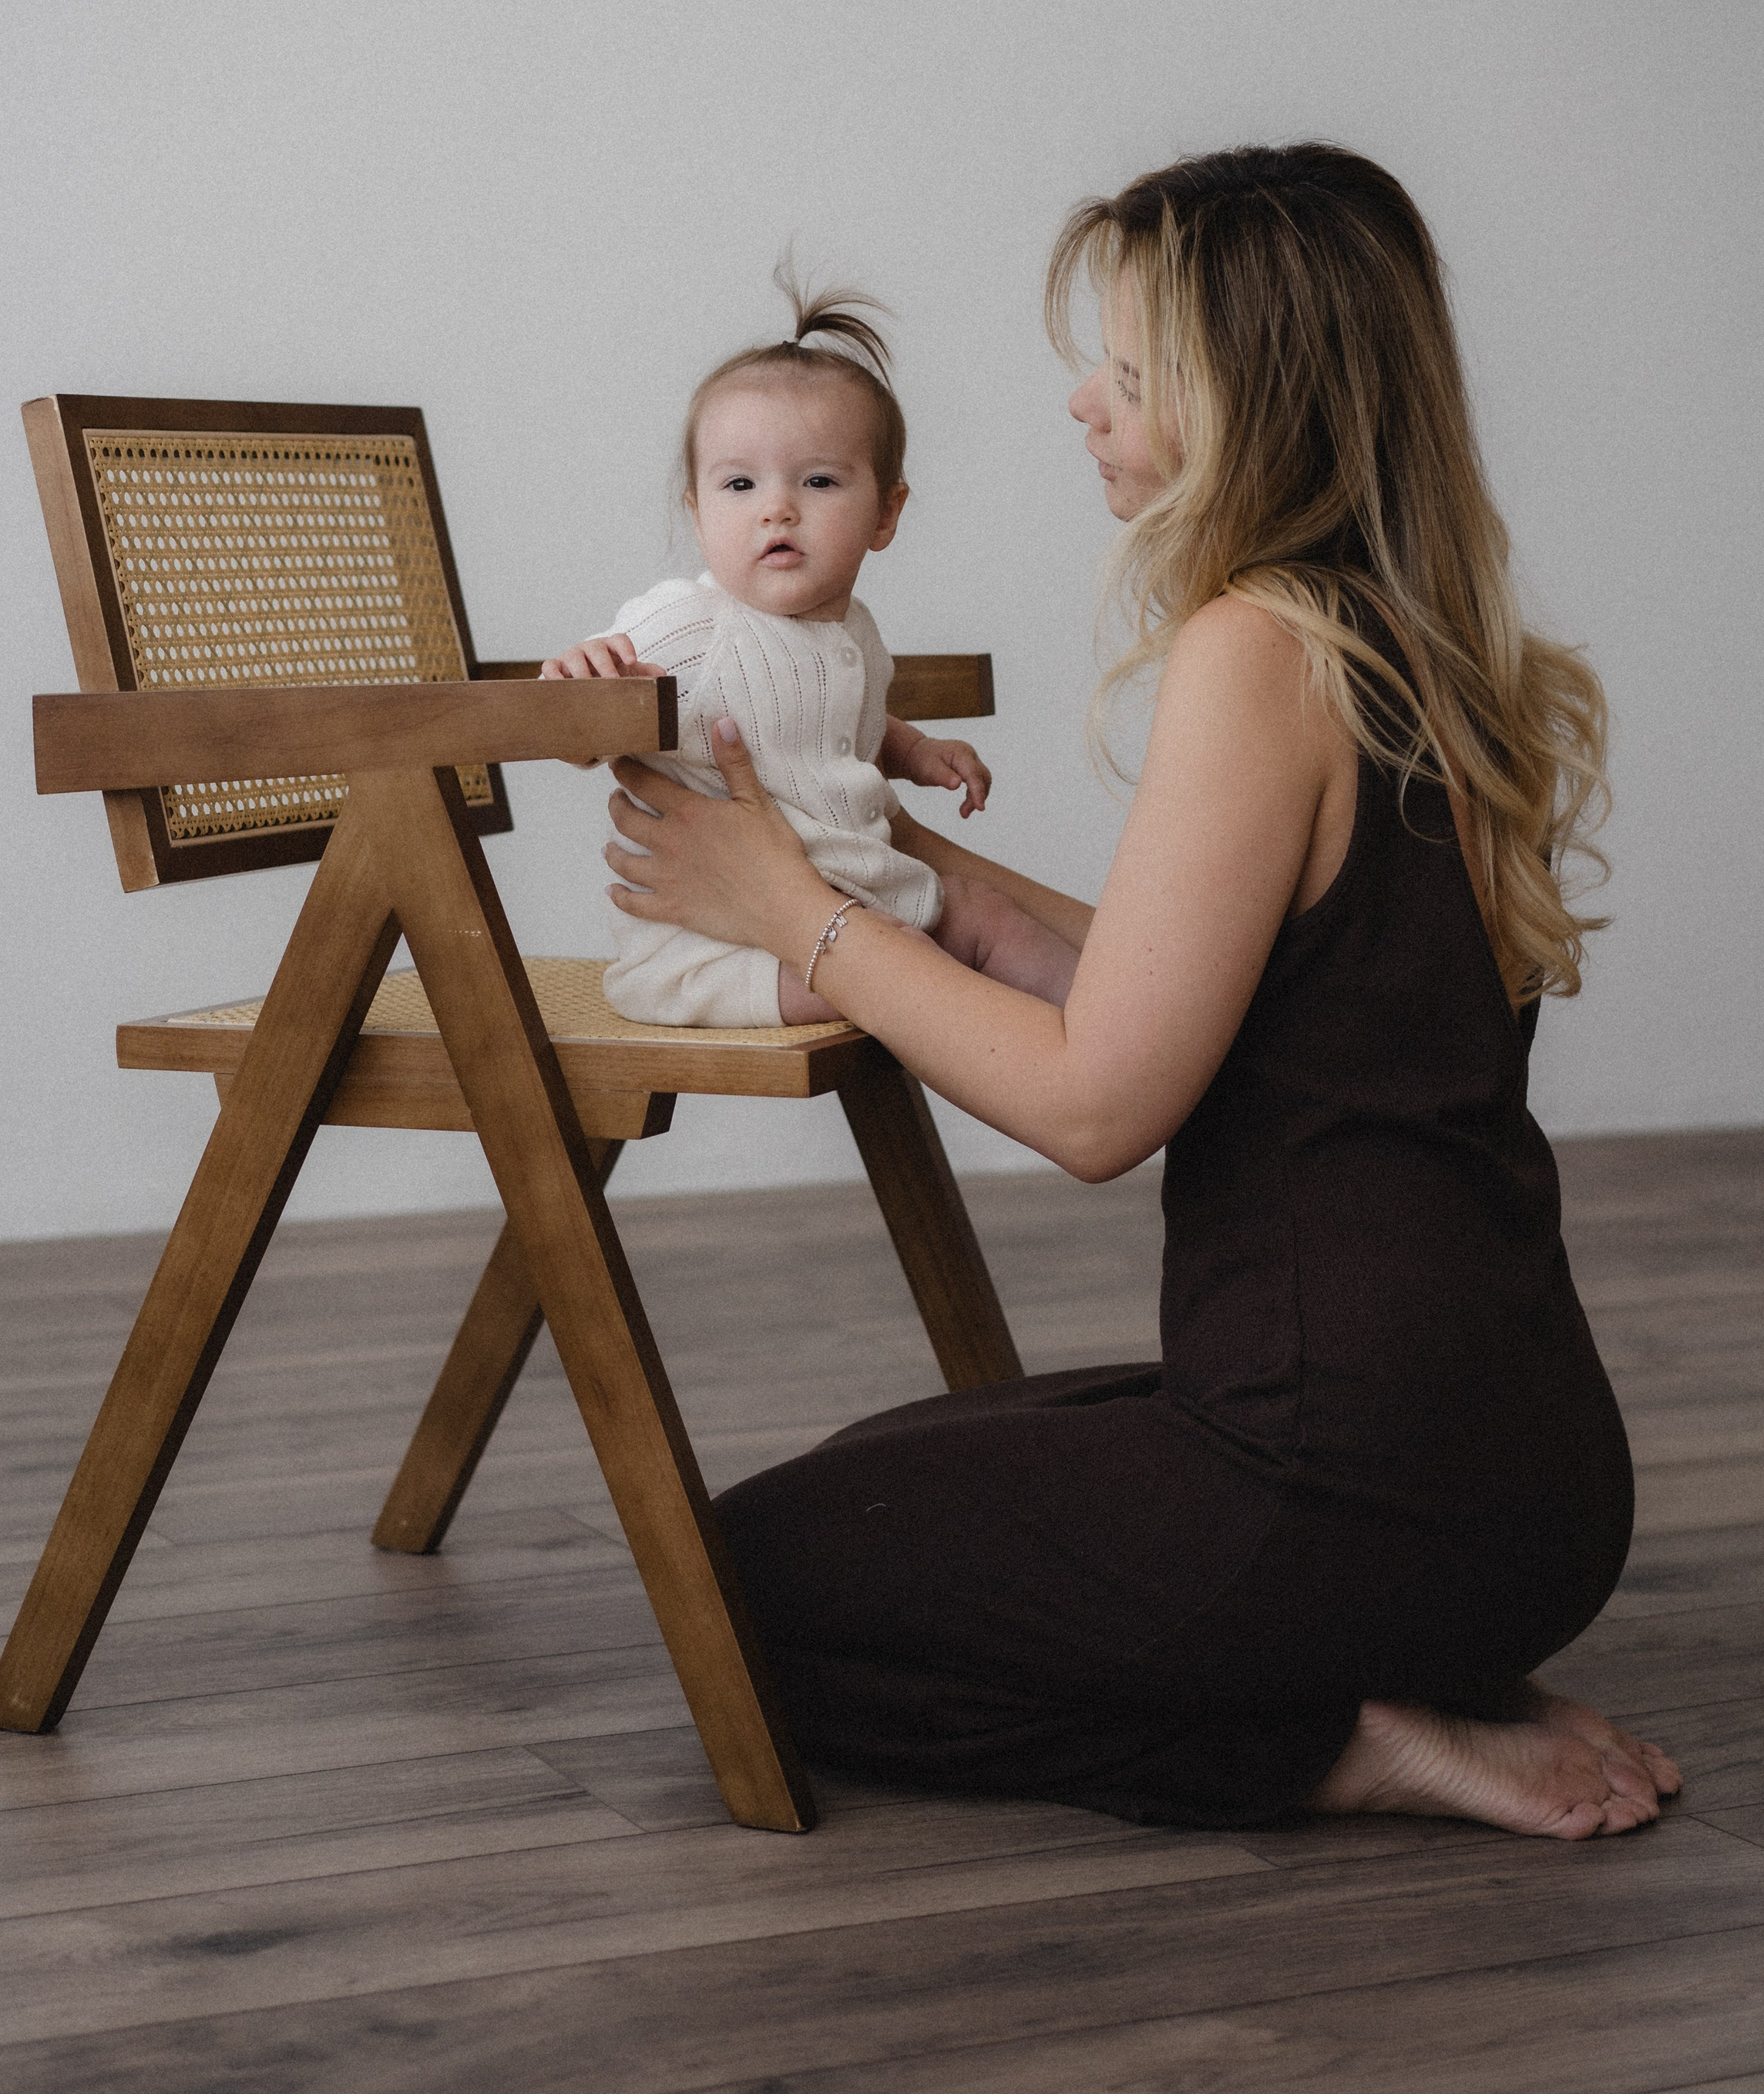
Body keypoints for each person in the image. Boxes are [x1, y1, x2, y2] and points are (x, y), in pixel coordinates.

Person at [600, 147, 1682, 1840]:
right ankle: (1412, 1650)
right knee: (902, 1456)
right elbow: (1208, 987)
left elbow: (1098, 1101)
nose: (1077, 400)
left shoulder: (1258, 645)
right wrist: (907, 871)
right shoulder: (1414, 639)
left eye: (1124, 365)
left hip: (1350, 1485)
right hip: (1525, 1479)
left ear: (1243, 396)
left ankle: (1327, 1741)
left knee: (729, 1581)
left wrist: (793, 909)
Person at [543, 283, 1079, 1028]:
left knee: (984, 916)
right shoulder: (689, 625)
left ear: (886, 514)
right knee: (917, 965)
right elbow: (577, 725)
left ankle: (1119, 1028)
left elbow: (843, 717)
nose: (776, 508)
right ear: (698, 516)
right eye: (739, 484)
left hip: (847, 904)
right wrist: (581, 679)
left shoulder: (854, 630)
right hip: (718, 952)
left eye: (818, 481)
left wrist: (914, 750)